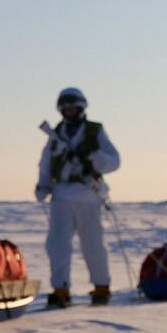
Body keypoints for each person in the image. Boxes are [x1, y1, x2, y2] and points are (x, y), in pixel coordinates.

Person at [35, 86, 121, 307]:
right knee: (57, 245)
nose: (68, 110)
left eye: (71, 105)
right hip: (61, 195)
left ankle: (102, 287)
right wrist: (43, 185)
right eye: (64, 106)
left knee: (93, 244)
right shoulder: (56, 135)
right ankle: (61, 289)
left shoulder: (94, 131)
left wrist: (95, 159)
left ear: (80, 106)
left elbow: (114, 160)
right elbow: (46, 162)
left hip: (88, 196)